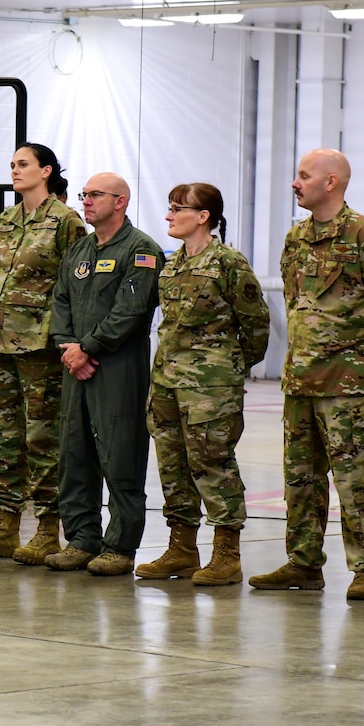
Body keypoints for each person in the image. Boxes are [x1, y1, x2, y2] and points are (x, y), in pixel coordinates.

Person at [252, 149, 364, 600]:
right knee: (300, 478)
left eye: (303, 175)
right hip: (300, 377)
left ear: (331, 182)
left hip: (349, 382)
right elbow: (295, 301)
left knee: (356, 477)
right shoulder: (296, 237)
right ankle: (303, 563)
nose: (295, 183)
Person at [136, 183, 269, 583]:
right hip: (167, 382)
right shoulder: (172, 264)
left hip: (210, 388)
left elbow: (256, 323)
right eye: (171, 207)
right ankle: (182, 548)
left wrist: (228, 370)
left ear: (203, 216)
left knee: (213, 464)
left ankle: (227, 554)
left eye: (178, 208)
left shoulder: (228, 263)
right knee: (172, 465)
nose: (169, 215)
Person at [0, 143, 85, 562]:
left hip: (38, 344)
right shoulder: (8, 219)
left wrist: (69, 340)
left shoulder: (66, 221)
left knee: (42, 438)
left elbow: (73, 287)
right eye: (12, 164)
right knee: (4, 436)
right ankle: (5, 525)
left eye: (23, 164)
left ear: (46, 171)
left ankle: (49, 529)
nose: (14, 170)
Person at [43, 173, 164, 576]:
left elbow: (130, 312)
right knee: (74, 453)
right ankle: (81, 539)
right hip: (76, 367)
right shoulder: (78, 250)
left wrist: (88, 348)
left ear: (121, 201)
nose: (87, 201)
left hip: (117, 366)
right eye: (85, 194)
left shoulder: (141, 249)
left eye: (96, 195)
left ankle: (120, 546)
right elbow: (60, 302)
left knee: (120, 456)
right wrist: (69, 347)